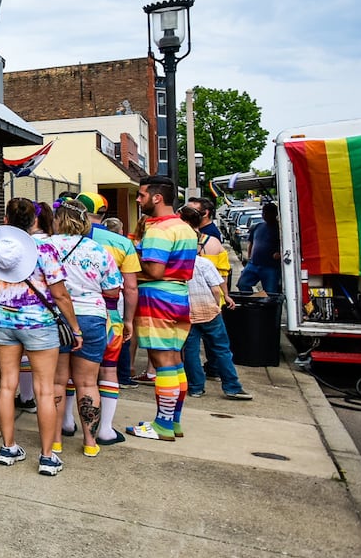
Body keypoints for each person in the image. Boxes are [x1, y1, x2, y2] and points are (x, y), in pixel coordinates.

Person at [0, 197, 82, 476]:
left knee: (6, 385)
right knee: (45, 390)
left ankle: (8, 448)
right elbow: (60, 294)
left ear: (6, 219)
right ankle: (48, 457)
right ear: (35, 220)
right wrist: (75, 328)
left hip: (3, 320)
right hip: (39, 324)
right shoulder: (44, 248)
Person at [45, 201, 121, 457]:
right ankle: (90, 442)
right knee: (88, 383)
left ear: (57, 220)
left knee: (56, 382)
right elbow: (113, 289)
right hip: (91, 317)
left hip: (54, 318)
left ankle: (55, 440)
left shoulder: (46, 247)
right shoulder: (98, 250)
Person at [126, 175, 198, 441]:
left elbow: (155, 270)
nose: (138, 199)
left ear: (157, 197)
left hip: (157, 298)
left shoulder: (159, 230)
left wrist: (132, 255)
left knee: (162, 362)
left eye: (142, 195)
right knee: (175, 361)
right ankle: (173, 422)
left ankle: (163, 425)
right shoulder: (184, 227)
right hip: (178, 296)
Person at [179, 206, 251, 401]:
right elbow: (216, 285)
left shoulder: (178, 266)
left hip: (189, 313)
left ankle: (195, 387)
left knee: (191, 351)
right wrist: (225, 299)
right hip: (210, 312)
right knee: (221, 349)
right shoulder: (204, 263)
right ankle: (232, 386)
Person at [89, 212, 141, 443]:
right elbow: (130, 288)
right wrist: (129, 319)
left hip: (73, 316)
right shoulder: (121, 243)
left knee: (70, 373)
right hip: (110, 315)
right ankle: (105, 429)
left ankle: (67, 424)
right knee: (109, 370)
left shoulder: (58, 242)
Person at [236, 202, 281, 295]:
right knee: (242, 284)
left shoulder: (279, 228)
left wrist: (279, 253)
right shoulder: (258, 226)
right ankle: (251, 302)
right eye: (264, 213)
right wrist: (249, 257)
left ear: (275, 214)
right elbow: (251, 242)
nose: (265, 215)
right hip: (254, 264)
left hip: (270, 266)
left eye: (267, 213)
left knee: (270, 293)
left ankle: (269, 309)